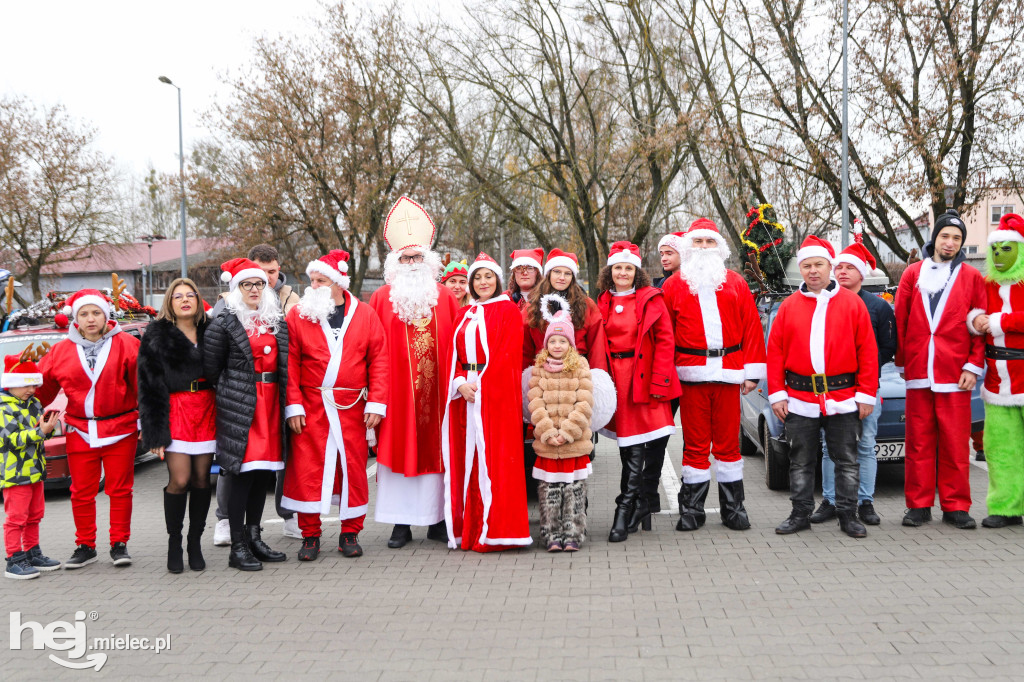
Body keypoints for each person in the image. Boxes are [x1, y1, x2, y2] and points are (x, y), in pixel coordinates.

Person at [768, 236, 878, 538]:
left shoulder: (853, 304)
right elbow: (775, 352)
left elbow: (867, 350)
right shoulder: (788, 307)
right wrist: (777, 394)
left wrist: (866, 393)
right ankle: (800, 513)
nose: (813, 271)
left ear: (829, 266)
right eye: (807, 266)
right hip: (800, 397)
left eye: (818, 264)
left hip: (843, 396)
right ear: (800, 269)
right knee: (800, 459)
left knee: (846, 459)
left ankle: (847, 514)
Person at [661, 220, 767, 533]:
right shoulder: (673, 286)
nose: (704, 247)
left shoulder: (735, 283)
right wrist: (669, 376)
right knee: (694, 444)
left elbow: (751, 328)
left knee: (727, 445)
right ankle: (692, 510)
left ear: (719, 247)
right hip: (690, 375)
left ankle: (733, 509)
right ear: (689, 247)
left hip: (730, 372)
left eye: (709, 241)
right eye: (698, 242)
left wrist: (752, 372)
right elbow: (664, 335)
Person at [283, 250, 389, 560]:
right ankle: (310, 535)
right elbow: (289, 363)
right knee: (307, 468)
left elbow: (379, 361)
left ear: (340, 283)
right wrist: (294, 406)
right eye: (311, 280)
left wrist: (377, 403)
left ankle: (350, 532)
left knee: (353, 467)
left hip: (351, 406)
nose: (313, 286)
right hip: (311, 405)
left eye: (321, 281)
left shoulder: (366, 315)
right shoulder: (299, 314)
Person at [369, 197, 461, 548]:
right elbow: (370, 350)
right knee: (397, 459)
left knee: (438, 455)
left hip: (438, 397)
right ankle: (400, 525)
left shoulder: (445, 298)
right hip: (396, 399)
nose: (411, 263)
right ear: (395, 262)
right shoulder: (380, 299)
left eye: (417, 257)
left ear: (429, 261)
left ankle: (437, 521)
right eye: (405, 258)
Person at [37, 289, 140, 568]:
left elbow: (144, 386)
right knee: (81, 490)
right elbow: (41, 389)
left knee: (120, 489)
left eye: (96, 312)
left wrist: (148, 423)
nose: (91, 319)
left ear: (106, 315)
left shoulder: (128, 344)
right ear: (76, 319)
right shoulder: (60, 350)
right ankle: (85, 545)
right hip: (80, 430)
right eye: (84, 314)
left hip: (121, 428)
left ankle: (119, 544)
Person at [895, 210, 986, 529]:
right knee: (918, 440)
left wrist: (973, 366)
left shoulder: (972, 277)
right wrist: (903, 363)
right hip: (920, 369)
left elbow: (980, 325)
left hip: (955, 371)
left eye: (957, 238)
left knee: (955, 442)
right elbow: (901, 319)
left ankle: (956, 505)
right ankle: (918, 505)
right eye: (945, 236)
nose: (950, 243)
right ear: (935, 238)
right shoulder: (912, 274)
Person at [442, 253, 532, 552]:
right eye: (477, 277)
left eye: (488, 277)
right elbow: (453, 357)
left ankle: (495, 532)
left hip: (494, 400)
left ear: (497, 280)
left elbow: (507, 357)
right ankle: (468, 529)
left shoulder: (507, 311)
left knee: (494, 462)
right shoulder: (464, 314)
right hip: (464, 398)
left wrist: (479, 388)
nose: (482, 282)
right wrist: (460, 384)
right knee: (466, 463)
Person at [212, 243, 300, 545]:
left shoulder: (275, 321)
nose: (255, 289)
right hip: (241, 405)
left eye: (260, 283)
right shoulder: (224, 321)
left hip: (271, 405)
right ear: (237, 288)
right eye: (248, 283)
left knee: (264, 474)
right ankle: (238, 542)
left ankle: (255, 538)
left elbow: (287, 364)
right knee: (240, 474)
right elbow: (212, 369)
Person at [596, 242, 680, 541]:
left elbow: (665, 342)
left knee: (635, 448)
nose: (622, 272)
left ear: (636, 272)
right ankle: (639, 504)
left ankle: (625, 508)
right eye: (617, 267)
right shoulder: (602, 300)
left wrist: (659, 382)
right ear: (610, 271)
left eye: (628, 268)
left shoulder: (650, 298)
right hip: (615, 379)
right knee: (626, 448)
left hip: (641, 379)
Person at [811, 244, 897, 526]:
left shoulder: (879, 307)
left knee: (866, 444)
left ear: (861, 272)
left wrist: (862, 371)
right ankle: (830, 501)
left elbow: (887, 348)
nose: (843, 272)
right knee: (829, 447)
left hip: (867, 386)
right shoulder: (823, 301)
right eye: (839, 267)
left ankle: (865, 502)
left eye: (849, 267)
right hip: (832, 389)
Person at [138, 278, 216, 574]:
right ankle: (175, 542)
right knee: (180, 480)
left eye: (190, 295)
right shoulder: (156, 335)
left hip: (208, 409)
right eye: (177, 296)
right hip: (176, 410)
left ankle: (195, 542)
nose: (185, 300)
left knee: (201, 479)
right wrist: (154, 431)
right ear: (169, 302)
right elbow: (148, 385)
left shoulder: (212, 330)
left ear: (198, 300)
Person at [970, 213, 1024, 528]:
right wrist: (976, 319)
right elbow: (975, 311)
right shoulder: (986, 284)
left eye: (1006, 248)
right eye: (995, 249)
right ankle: (1005, 507)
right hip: (997, 382)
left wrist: (999, 321)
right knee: (1000, 449)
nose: (999, 255)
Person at [526, 306, 594, 552]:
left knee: (573, 491)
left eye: (562, 340)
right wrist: (547, 432)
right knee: (550, 490)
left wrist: (566, 433)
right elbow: (536, 402)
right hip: (547, 444)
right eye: (552, 341)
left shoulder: (580, 367)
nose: (557, 345)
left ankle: (573, 533)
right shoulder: (539, 368)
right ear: (546, 345)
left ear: (570, 344)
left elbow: (584, 403)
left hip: (572, 444)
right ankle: (551, 534)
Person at [2, 350, 62, 579]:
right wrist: (40, 432)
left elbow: (41, 436)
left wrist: (48, 429)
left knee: (34, 515)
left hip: (36, 470)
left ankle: (32, 551)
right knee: (16, 518)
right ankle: (14, 559)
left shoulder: (34, 403)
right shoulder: (3, 408)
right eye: (25, 385)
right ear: (11, 384)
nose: (31, 390)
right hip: (14, 473)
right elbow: (11, 439)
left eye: (34, 385)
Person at [523, 248, 609, 372]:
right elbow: (524, 349)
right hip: (542, 374)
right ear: (549, 274)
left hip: (577, 372)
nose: (562, 277)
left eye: (567, 273)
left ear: (572, 277)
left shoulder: (586, 305)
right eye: (557, 272)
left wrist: (598, 377)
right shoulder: (533, 306)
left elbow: (597, 346)